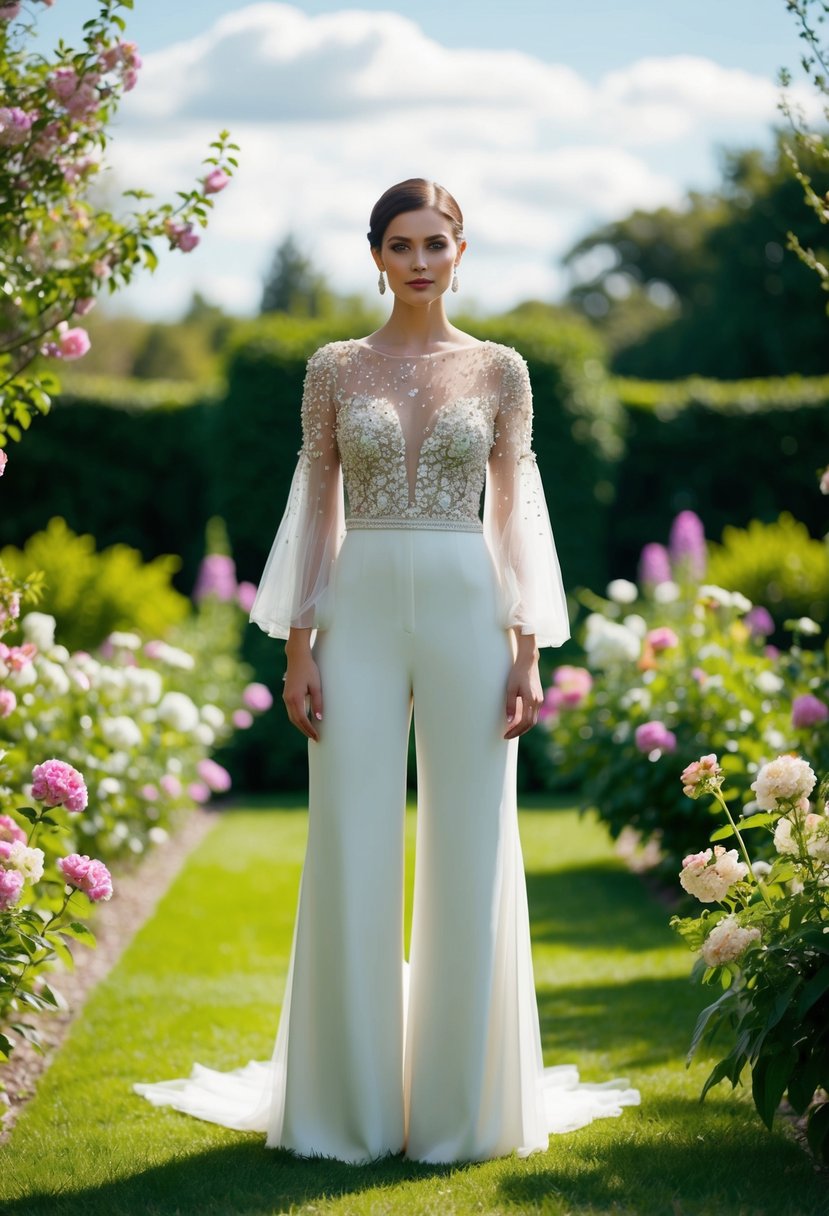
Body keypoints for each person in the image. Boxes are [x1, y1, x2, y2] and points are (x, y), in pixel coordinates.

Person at [133, 178, 640, 1163]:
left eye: (435, 243)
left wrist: (528, 648)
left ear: (461, 252)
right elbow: (314, 507)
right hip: (356, 613)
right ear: (375, 256)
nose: (418, 261)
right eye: (400, 244)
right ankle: (349, 1113)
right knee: (349, 840)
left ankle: (461, 1114)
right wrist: (297, 645)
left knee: (472, 845)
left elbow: (515, 514)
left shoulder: (501, 370)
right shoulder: (333, 368)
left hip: (468, 611)